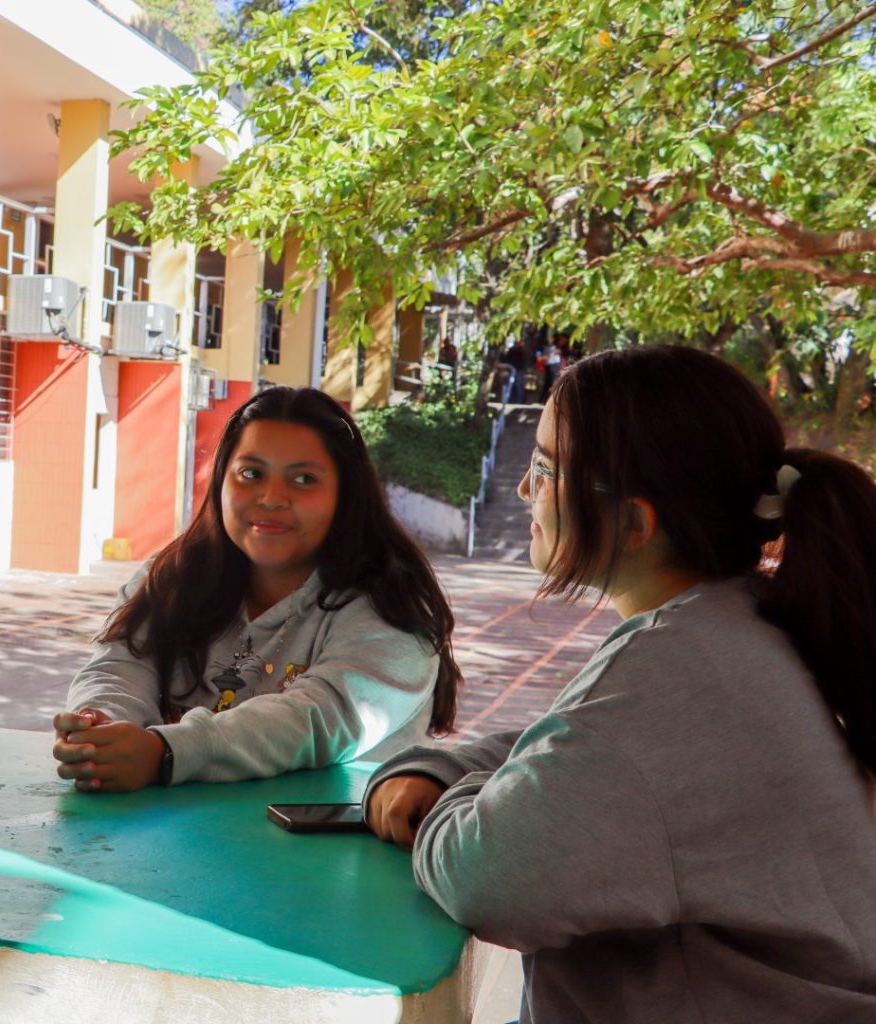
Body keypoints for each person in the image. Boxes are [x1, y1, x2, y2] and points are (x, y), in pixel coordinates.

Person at [365, 345, 876, 1022]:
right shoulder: (739, 625)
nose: (523, 491)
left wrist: (459, 798)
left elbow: (487, 877)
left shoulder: (678, 664)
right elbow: (585, 748)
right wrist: (447, 766)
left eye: (546, 469)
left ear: (634, 522)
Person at [52, 386, 461, 793]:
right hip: (180, 830)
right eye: (251, 474)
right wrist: (100, 725)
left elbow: (318, 718)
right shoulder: (172, 577)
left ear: (347, 496)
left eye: (304, 479)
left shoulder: (393, 607)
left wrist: (165, 753)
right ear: (221, 479)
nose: (271, 498)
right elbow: (119, 666)